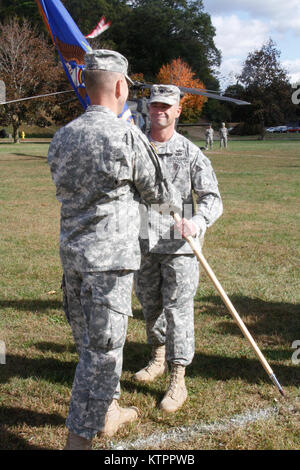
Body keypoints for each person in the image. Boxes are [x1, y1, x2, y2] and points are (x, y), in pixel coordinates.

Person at [47, 51, 182, 450]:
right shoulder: (126, 136)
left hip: (74, 261)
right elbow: (159, 194)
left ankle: (108, 412)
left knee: (89, 344)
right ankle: (79, 441)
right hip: (110, 266)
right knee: (102, 355)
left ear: (88, 87)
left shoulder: (62, 136)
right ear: (121, 86)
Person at [134, 84, 223, 413]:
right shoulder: (136, 146)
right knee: (149, 305)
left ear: (177, 111)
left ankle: (178, 377)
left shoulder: (190, 152)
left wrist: (197, 223)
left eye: (165, 106)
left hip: (180, 246)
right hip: (142, 241)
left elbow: (212, 198)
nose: (159, 110)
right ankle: (157, 356)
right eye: (154, 105)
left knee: (178, 310)